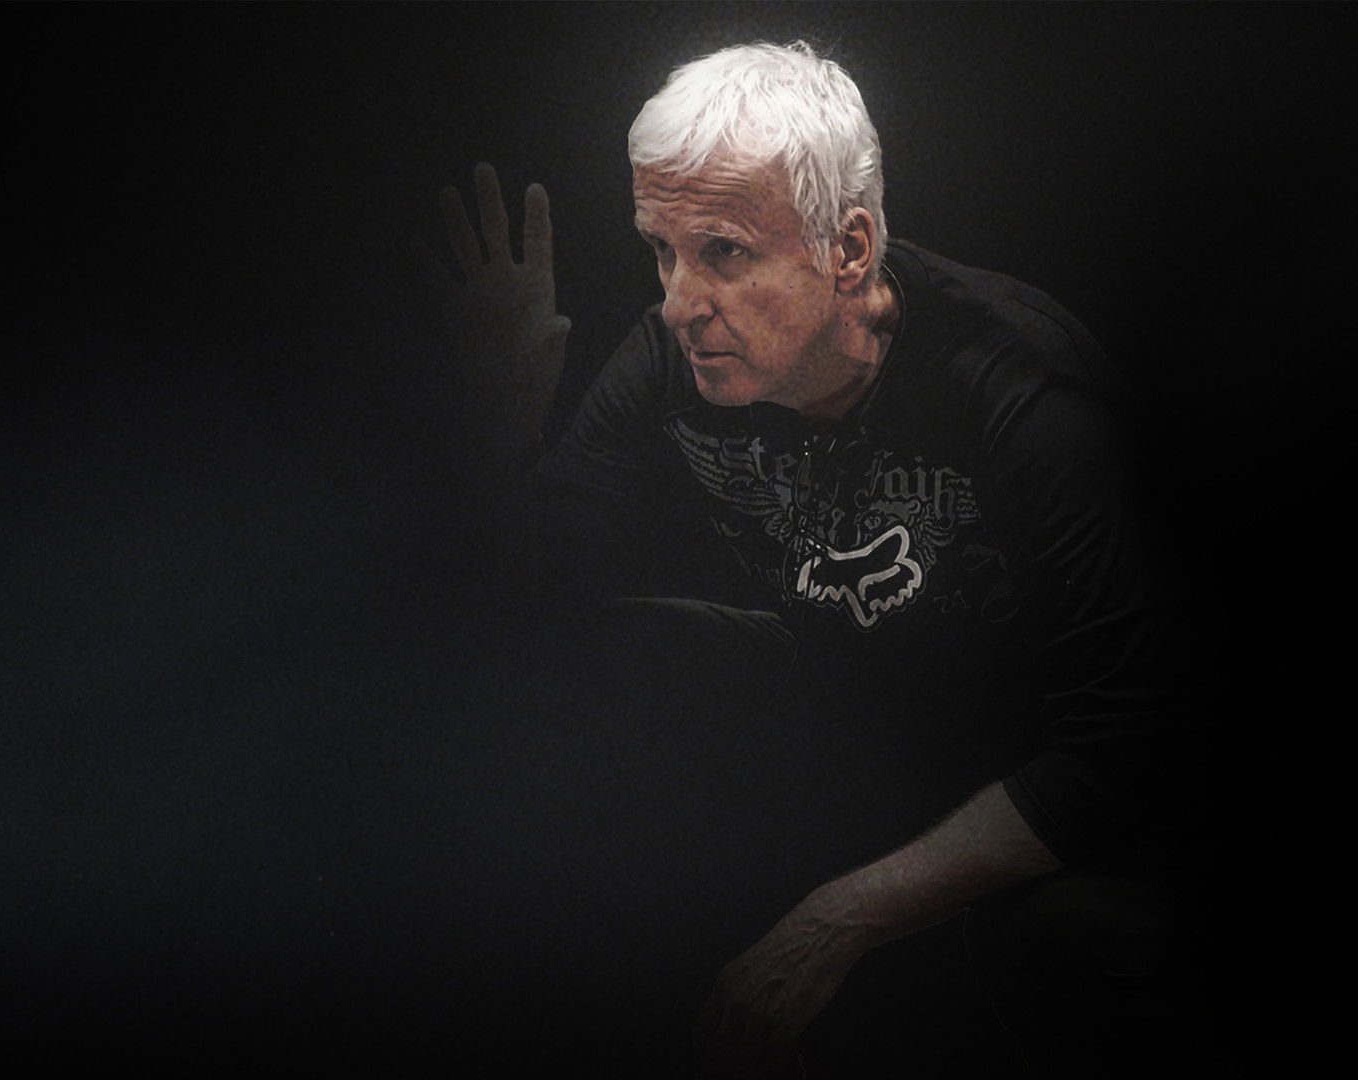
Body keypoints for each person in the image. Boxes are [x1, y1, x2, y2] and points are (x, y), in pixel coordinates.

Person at [427, 41, 1210, 1077]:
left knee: (1084, 943)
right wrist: (495, 432)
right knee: (593, 656)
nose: (679, 301)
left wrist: (834, 922)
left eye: (724, 253)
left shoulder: (1020, 385)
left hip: (1022, 765)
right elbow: (535, 596)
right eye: (662, 251)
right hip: (851, 707)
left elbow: (1126, 745)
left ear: (848, 248)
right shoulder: (674, 355)